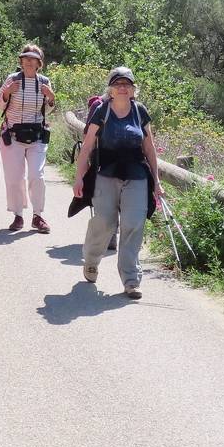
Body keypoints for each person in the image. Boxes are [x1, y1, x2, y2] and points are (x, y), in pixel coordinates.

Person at [72, 66, 163, 298]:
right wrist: (79, 177)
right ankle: (91, 260)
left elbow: (149, 148)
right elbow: (88, 146)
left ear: (133, 90)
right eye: (118, 84)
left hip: (136, 175)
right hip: (106, 173)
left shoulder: (140, 111)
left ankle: (131, 280)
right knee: (104, 221)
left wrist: (157, 181)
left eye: (127, 84)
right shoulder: (101, 111)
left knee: (134, 223)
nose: (123, 88)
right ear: (110, 89)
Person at [0, 44, 56, 233]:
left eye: (33, 58)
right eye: (26, 58)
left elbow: (49, 109)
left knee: (37, 175)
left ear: (39, 63)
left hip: (36, 136)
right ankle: (18, 215)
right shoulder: (12, 79)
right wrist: (6, 92)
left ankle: (38, 216)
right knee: (14, 177)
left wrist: (51, 97)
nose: (29, 61)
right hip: (12, 135)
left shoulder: (44, 81)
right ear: (21, 61)